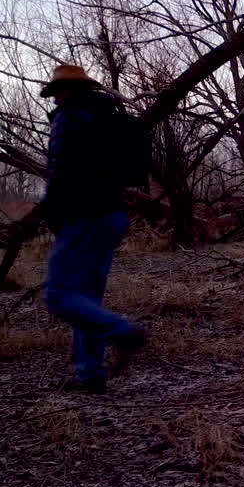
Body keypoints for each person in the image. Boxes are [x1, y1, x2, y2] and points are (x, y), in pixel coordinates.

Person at [39, 63, 148, 394]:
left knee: (59, 295)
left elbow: (60, 171)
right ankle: (90, 374)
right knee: (86, 297)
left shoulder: (70, 119)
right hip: (112, 216)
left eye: (58, 91)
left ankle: (123, 332)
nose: (55, 98)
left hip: (82, 217)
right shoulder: (110, 118)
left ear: (68, 91)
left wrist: (53, 214)